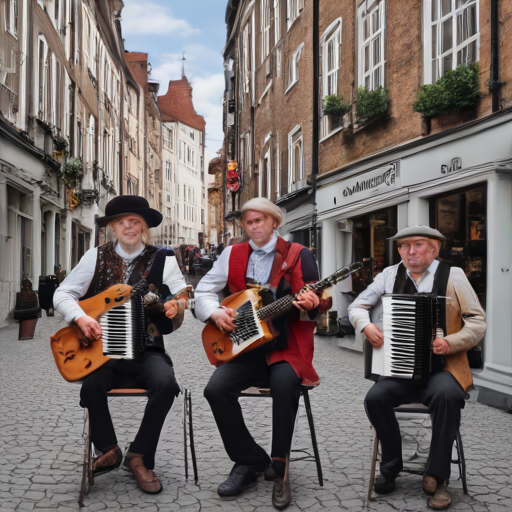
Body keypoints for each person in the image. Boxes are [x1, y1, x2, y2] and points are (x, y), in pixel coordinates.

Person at [53, 195, 188, 495]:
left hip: (148, 348)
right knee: (91, 386)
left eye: (135, 221)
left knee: (166, 384)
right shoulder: (95, 256)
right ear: (113, 226)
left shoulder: (163, 258)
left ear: (143, 227)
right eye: (122, 221)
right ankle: (109, 449)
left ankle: (139, 456)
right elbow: (62, 294)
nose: (129, 226)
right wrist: (80, 318)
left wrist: (176, 306)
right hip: (104, 353)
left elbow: (182, 295)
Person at [195, 197, 323, 510]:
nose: (253, 227)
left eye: (259, 221)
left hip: (286, 348)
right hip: (246, 348)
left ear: (274, 222)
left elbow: (316, 304)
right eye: (249, 222)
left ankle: (279, 468)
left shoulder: (299, 255)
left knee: (283, 384)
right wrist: (215, 314)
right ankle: (250, 460)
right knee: (215, 389)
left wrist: (313, 304)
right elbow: (203, 291)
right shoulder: (232, 253)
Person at [348, 225, 486, 510]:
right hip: (400, 369)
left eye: (418, 244)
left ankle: (438, 476)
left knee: (447, 396)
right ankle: (391, 465)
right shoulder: (388, 275)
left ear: (434, 248)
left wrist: (451, 341)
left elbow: (477, 321)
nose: (410, 251)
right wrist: (367, 325)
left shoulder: (453, 275)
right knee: (375, 398)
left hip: (443, 368)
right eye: (404, 245)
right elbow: (357, 306)